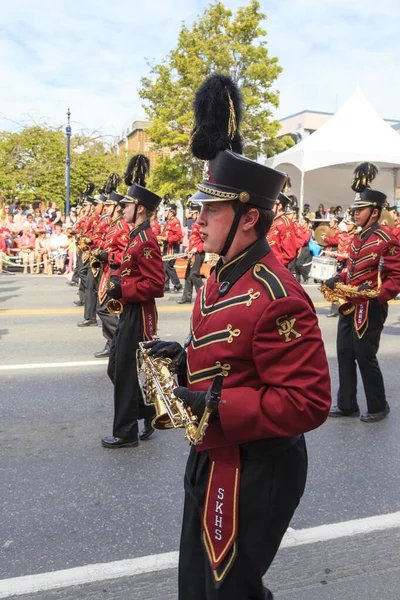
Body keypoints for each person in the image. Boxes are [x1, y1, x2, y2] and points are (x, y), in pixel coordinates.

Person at [145, 74, 331, 600]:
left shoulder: (280, 294)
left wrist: (215, 403)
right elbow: (231, 356)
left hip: (256, 465)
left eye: (210, 210)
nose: (196, 220)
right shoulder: (223, 271)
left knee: (230, 592)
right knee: (199, 585)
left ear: (249, 218)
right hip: (215, 448)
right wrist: (183, 362)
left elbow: (309, 401)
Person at [326, 162, 400, 422]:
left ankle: (379, 406)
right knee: (344, 354)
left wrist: (377, 293)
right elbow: (352, 268)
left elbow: (395, 277)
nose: (354, 214)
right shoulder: (358, 238)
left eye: (360, 209)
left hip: (370, 306)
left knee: (364, 356)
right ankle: (347, 404)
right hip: (349, 303)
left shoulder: (387, 238)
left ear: (375, 212)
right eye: (354, 209)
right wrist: (339, 278)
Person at [102, 156, 165, 449]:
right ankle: (148, 411)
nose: (121, 208)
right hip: (130, 308)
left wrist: (122, 288)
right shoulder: (136, 236)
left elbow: (156, 284)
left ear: (140, 208)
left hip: (138, 312)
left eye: (126, 205)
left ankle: (126, 433)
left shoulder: (146, 240)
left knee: (124, 369)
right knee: (115, 368)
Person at [95, 191, 131, 358]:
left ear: (117, 207)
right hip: (106, 271)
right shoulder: (112, 224)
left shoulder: (121, 226)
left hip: (114, 273)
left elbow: (127, 255)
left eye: (109, 205)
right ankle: (111, 344)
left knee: (104, 310)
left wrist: (107, 256)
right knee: (103, 309)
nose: (105, 207)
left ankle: (120, 342)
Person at [177, 202, 205, 304]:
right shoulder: (195, 223)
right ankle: (186, 297)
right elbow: (194, 239)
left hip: (198, 253)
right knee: (188, 275)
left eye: (192, 213)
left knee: (194, 274)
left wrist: (196, 249)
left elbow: (205, 241)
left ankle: (203, 296)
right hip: (192, 253)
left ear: (198, 213)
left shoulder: (201, 224)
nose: (191, 215)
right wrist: (189, 247)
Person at [266, 192, 297, 266]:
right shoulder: (273, 220)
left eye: (271, 204)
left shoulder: (286, 224)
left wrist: (272, 263)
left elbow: (289, 254)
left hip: (275, 267)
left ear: (279, 206)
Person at [160, 203, 183, 293]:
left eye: (166, 211)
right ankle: (166, 286)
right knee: (165, 266)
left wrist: (168, 239)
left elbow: (179, 235)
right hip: (167, 246)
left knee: (169, 266)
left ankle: (177, 285)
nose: (165, 212)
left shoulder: (175, 221)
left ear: (172, 212)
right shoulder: (168, 221)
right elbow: (164, 234)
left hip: (172, 247)